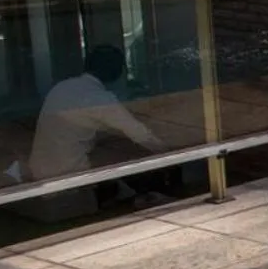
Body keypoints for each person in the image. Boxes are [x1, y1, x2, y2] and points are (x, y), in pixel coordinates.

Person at [27, 44, 165, 183]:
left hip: (39, 171)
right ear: (115, 70)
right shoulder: (99, 98)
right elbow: (139, 133)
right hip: (69, 177)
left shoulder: (61, 87)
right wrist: (169, 152)